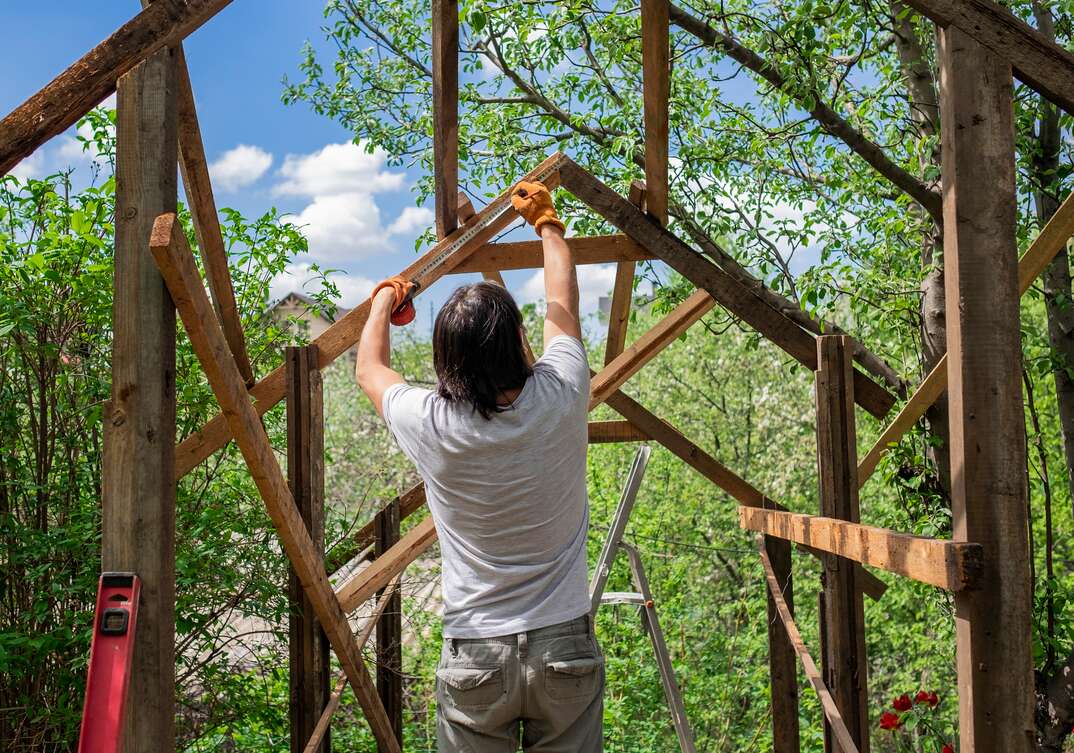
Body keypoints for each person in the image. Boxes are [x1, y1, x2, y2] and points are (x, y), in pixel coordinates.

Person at [356, 180, 603, 752]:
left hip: (476, 652)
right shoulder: (561, 394)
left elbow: (370, 369)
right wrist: (548, 224)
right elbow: (562, 309)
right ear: (519, 340)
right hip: (563, 644)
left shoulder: (433, 423)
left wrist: (382, 302)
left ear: (446, 361)